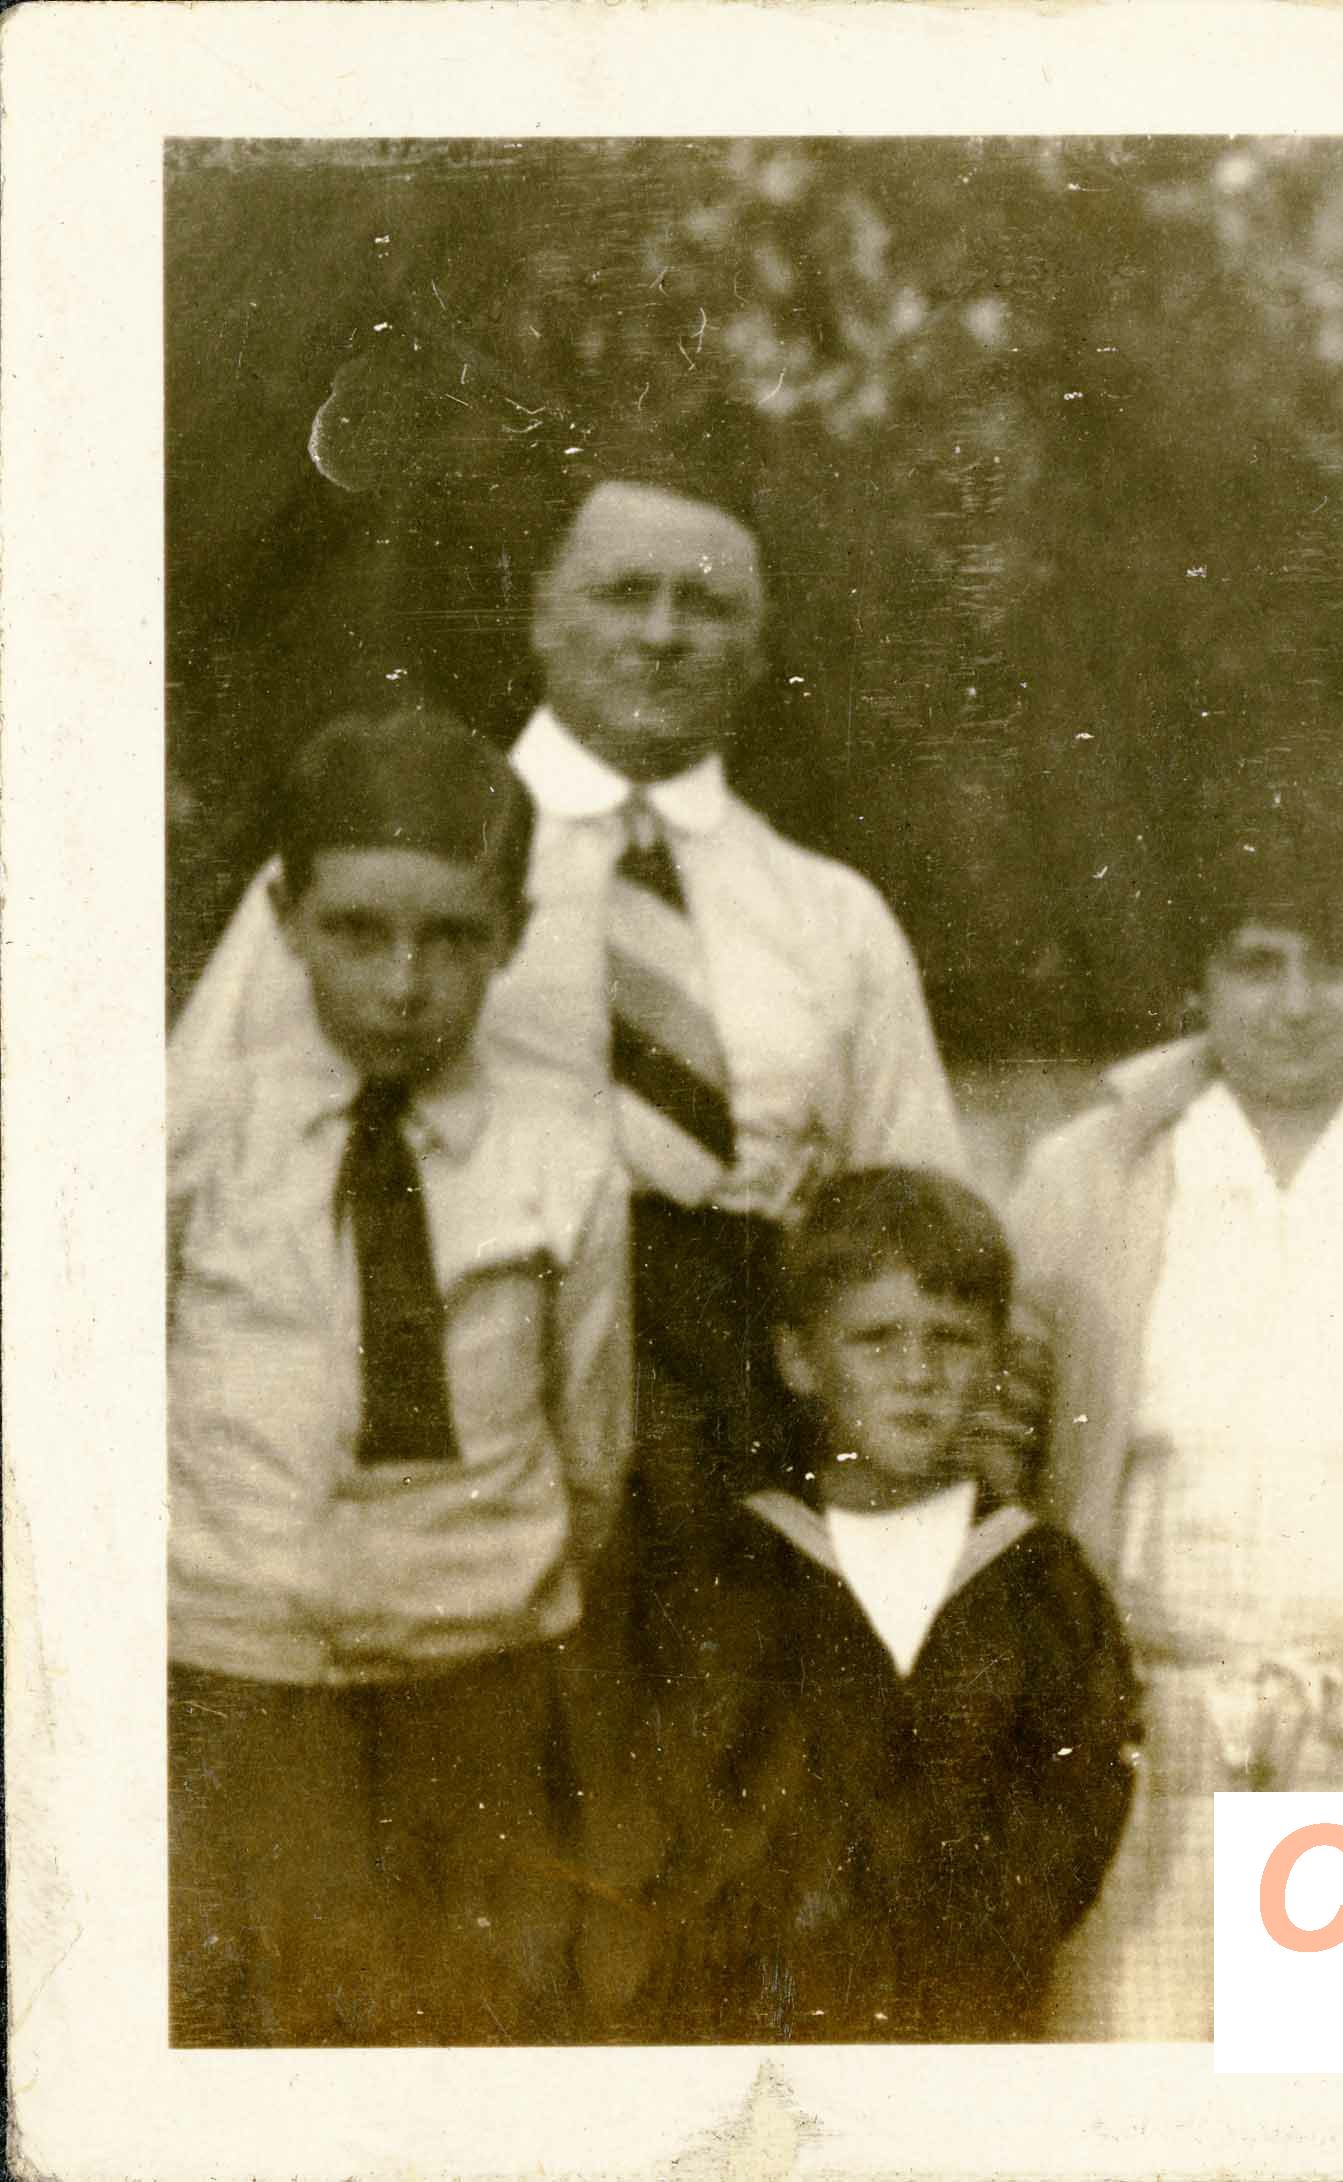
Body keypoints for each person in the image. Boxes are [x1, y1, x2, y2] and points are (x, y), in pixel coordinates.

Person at [169, 463, 971, 1545]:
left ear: (758, 649)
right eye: (623, 593)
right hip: (453, 1403)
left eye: (708, 605)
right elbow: (186, 1163)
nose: (662, 633)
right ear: (543, 613)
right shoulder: (389, 865)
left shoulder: (834, 915)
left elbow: (920, 1219)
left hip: (747, 1423)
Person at [1008, 837, 1343, 2039]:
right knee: (1130, 2092)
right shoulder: (1088, 1170)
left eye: (1336, 962)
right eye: (1259, 963)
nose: (1297, 1002)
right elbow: (1010, 1415)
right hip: (1149, 1724)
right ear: (1198, 982)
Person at [167, 704, 629, 2045]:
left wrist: (480, 1597)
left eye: (452, 936)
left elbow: (590, 1442)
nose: (402, 980)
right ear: (287, 913)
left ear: (515, 936)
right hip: (236, 1680)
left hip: (481, 1685)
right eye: (358, 929)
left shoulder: (561, 1154)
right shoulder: (199, 1135)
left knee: (480, 2026)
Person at [633, 1169, 1135, 2045]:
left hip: (970, 2021)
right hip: (768, 2028)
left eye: (953, 1340)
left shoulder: (1037, 1579)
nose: (917, 1376)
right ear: (798, 1359)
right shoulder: (731, 1571)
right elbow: (686, 1817)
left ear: (996, 1358)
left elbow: (1078, 1803)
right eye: (876, 1340)